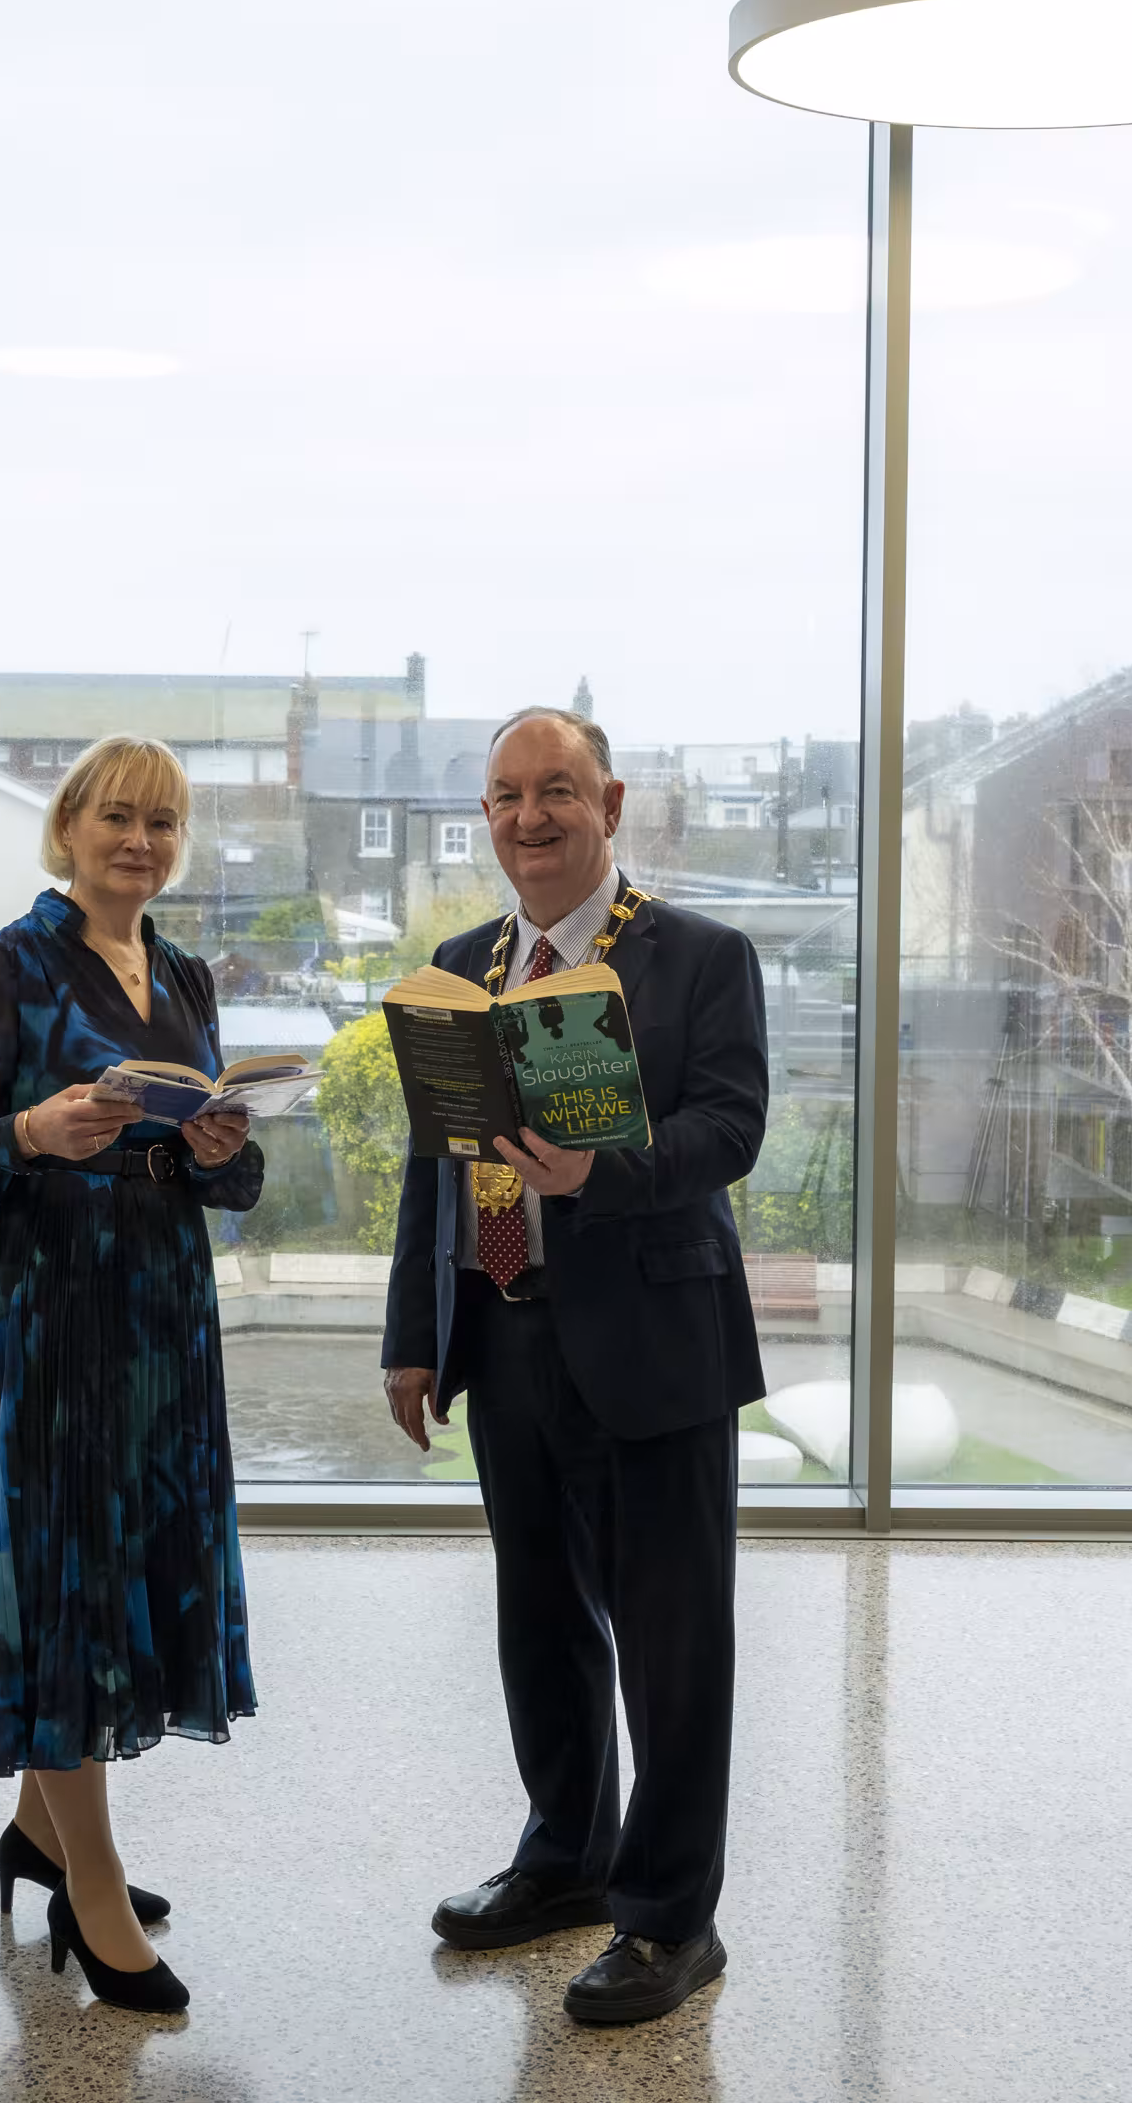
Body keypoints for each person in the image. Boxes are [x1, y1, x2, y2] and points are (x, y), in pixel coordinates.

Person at [381, 705, 770, 2027]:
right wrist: (412, 1337)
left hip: (656, 1340)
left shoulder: (698, 955)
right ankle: (567, 1861)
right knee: (540, 1622)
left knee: (672, 1646)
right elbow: (432, 1169)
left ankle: (670, 1920)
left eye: (556, 790)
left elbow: (733, 1127)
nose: (529, 816)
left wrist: (606, 1169)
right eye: (505, 795)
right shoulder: (460, 967)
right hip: (505, 1329)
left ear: (609, 805)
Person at [0, 734, 259, 2016]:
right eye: (118, 817)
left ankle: (36, 1829)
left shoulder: (183, 973)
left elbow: (228, 1174)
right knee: (67, 1580)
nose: (140, 842)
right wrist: (33, 1128)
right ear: (69, 825)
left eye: (162, 823)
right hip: (57, 1305)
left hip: (163, 1306)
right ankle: (92, 1888)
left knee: (123, 1569)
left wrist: (222, 1146)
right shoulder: (8, 963)